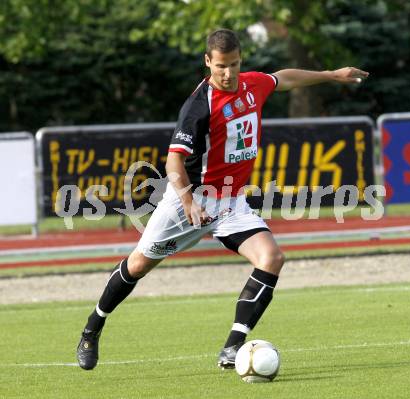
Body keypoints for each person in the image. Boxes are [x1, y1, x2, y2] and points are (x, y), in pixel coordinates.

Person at [76, 28, 369, 370]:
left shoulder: (252, 84)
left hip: (231, 202)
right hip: (190, 199)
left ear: (240, 59)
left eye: (233, 65)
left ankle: (233, 346)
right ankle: (92, 328)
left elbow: (282, 79)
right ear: (207, 62)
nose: (227, 74)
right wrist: (188, 203)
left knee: (271, 258)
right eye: (220, 67)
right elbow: (173, 161)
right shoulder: (199, 106)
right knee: (139, 264)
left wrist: (331, 75)